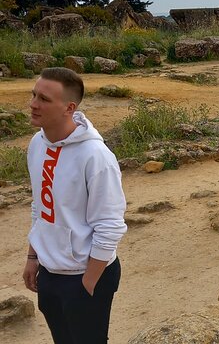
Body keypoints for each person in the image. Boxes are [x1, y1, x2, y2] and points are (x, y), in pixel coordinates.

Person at [23, 67, 127, 344]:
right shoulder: (37, 144)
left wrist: (88, 283)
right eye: (34, 95)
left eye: (44, 99)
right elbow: (41, 207)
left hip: (85, 275)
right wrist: (34, 258)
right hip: (50, 271)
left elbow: (111, 224)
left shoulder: (96, 156)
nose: (33, 104)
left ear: (69, 107)